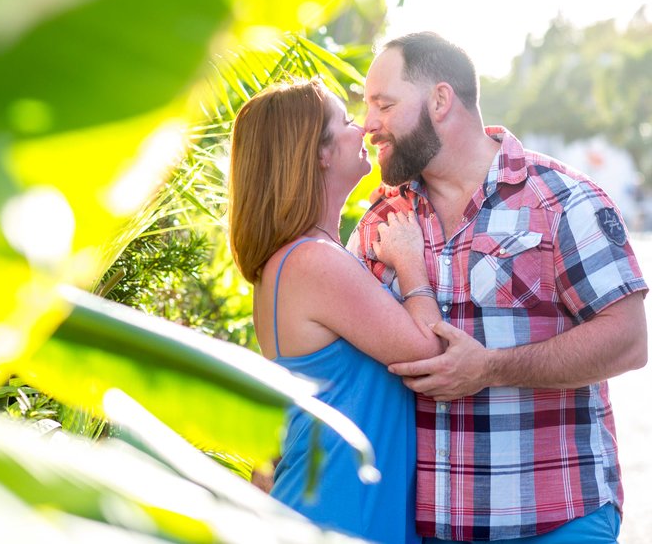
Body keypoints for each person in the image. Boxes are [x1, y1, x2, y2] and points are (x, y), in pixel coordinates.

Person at [351, 31, 649, 543]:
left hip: (559, 521)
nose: (368, 124)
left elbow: (628, 340)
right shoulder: (381, 218)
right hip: (428, 529)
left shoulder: (565, 199)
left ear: (441, 100)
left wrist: (491, 369)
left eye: (384, 104)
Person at [228, 79, 444, 543]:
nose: (363, 128)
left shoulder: (307, 256)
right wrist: (411, 266)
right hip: (334, 517)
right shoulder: (311, 261)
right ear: (319, 153)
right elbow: (430, 351)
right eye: (345, 121)